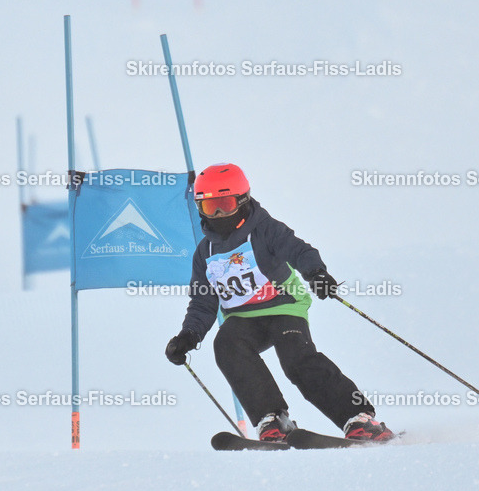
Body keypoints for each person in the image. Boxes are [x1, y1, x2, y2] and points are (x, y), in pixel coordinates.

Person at [165, 163, 394, 442]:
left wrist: (316, 274)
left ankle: (358, 419)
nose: (218, 214)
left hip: (284, 306)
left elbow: (298, 250)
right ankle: (272, 418)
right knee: (226, 345)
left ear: (242, 200)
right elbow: (203, 301)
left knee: (296, 359)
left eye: (224, 204)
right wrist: (189, 335)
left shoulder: (264, 229)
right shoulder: (206, 252)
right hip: (243, 318)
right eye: (209, 207)